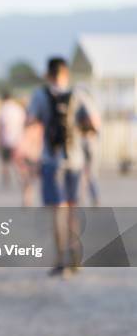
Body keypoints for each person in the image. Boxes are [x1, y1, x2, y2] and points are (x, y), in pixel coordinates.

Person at [26, 57, 98, 277]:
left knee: (58, 210)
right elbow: (93, 123)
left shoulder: (40, 95)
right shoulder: (78, 94)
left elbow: (29, 121)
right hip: (75, 160)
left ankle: (60, 259)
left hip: (51, 159)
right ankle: (75, 255)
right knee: (73, 208)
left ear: (48, 74)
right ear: (66, 73)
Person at [0, 91, 26, 188]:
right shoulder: (19, 109)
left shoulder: (2, 110)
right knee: (19, 162)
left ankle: (6, 180)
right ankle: (22, 178)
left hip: (5, 140)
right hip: (19, 140)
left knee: (5, 162)